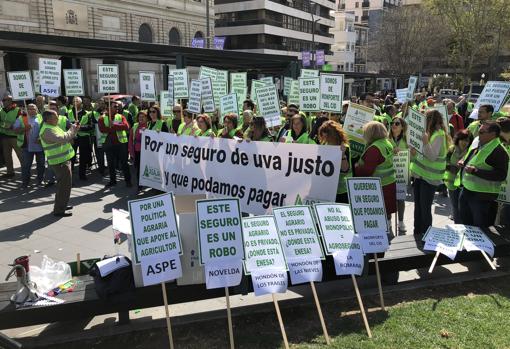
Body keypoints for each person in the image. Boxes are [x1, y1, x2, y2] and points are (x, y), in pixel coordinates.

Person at [457, 121, 508, 229]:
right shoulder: (479, 143)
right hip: (467, 190)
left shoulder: (498, 151)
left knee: (480, 229)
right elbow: (471, 158)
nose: (478, 134)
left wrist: (476, 171)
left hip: (482, 196)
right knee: (466, 224)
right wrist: (463, 161)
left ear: (493, 134)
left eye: (481, 132)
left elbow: (501, 175)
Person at [409, 110, 449, 236]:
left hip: (429, 178)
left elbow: (431, 156)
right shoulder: (429, 133)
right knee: (418, 208)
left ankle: (427, 234)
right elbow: (423, 156)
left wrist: (425, 142)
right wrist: (414, 153)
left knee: (425, 209)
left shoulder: (439, 134)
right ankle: (417, 232)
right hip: (420, 176)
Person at [39, 110, 79, 217]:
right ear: (48, 119)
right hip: (59, 162)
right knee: (64, 186)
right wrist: (72, 129)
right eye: (55, 117)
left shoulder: (52, 126)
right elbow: (63, 138)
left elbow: (66, 136)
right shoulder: (47, 130)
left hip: (63, 160)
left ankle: (62, 205)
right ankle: (59, 210)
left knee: (64, 185)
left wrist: (73, 130)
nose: (58, 119)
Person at [355, 121, 396, 223]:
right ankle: (388, 225)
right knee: (387, 212)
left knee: (380, 214)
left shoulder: (375, 148)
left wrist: (357, 168)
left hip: (379, 186)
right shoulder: (387, 143)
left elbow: (368, 170)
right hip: (389, 182)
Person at [98, 101, 132, 188]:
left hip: (121, 144)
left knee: (124, 163)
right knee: (111, 164)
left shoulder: (121, 116)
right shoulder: (101, 118)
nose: (117, 108)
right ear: (108, 108)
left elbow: (126, 126)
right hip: (109, 144)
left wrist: (113, 125)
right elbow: (102, 129)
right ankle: (113, 181)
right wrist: (117, 127)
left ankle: (128, 181)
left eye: (117, 107)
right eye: (115, 107)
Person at [318, 120, 351, 203]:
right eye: (323, 134)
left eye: (327, 134)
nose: (324, 137)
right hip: (327, 189)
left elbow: (345, 169)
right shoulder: (324, 146)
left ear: (334, 134)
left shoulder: (344, 147)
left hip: (341, 190)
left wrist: (342, 155)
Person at [444, 130, 472, 223]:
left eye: (467, 141)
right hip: (451, 183)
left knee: (463, 207)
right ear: (458, 140)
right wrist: (452, 167)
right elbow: (444, 163)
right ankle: (457, 225)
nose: (464, 142)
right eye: (462, 140)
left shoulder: (471, 152)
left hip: (464, 184)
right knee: (455, 206)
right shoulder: (451, 149)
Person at [13, 104, 45, 188]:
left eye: (33, 109)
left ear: (37, 110)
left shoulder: (41, 117)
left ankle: (40, 181)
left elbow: (46, 129)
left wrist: (40, 138)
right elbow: (15, 130)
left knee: (41, 165)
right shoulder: (21, 118)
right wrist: (25, 128)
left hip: (40, 146)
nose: (31, 110)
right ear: (26, 110)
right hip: (27, 147)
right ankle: (25, 183)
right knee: (26, 166)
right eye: (29, 109)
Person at [389, 116, 408, 233]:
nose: (394, 125)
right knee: (389, 199)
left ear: (402, 127)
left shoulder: (407, 140)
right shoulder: (386, 138)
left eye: (397, 123)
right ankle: (388, 221)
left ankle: (401, 221)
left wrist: (410, 152)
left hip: (402, 174)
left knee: (400, 199)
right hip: (389, 174)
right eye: (392, 123)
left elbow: (413, 157)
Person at [69, 97, 93, 181]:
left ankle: (82, 174)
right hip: (72, 137)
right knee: (71, 157)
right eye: (73, 101)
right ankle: (69, 176)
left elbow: (90, 126)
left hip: (84, 137)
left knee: (83, 157)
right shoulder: (68, 112)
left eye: (77, 101)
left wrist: (80, 127)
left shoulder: (87, 113)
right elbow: (66, 125)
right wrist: (73, 127)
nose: (75, 103)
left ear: (81, 103)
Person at [0, 95, 22, 178]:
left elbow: (19, 123)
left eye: (4, 100)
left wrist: (9, 126)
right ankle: (10, 172)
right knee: (7, 155)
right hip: (5, 136)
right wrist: (7, 125)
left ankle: (25, 172)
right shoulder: (1, 110)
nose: (3, 101)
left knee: (20, 155)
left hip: (15, 137)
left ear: (10, 101)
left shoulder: (18, 110)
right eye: (3, 100)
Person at [129, 111, 148, 190]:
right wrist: (131, 152)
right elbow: (130, 140)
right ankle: (139, 185)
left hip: (147, 152)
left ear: (146, 118)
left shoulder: (149, 126)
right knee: (138, 169)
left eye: (143, 116)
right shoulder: (135, 126)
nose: (141, 118)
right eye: (140, 116)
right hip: (137, 150)